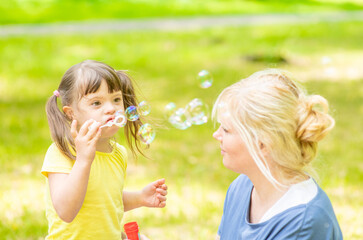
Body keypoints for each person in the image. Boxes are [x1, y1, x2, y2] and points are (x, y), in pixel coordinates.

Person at [42, 60, 168, 239]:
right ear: (71, 113)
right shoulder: (62, 152)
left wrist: (140, 198)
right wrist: (84, 159)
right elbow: (66, 211)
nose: (111, 109)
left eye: (116, 99)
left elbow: (106, 201)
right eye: (96, 103)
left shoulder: (117, 153)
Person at [212, 69, 342, 239]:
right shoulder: (241, 187)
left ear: (262, 144)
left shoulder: (303, 222)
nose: (216, 135)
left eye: (226, 130)